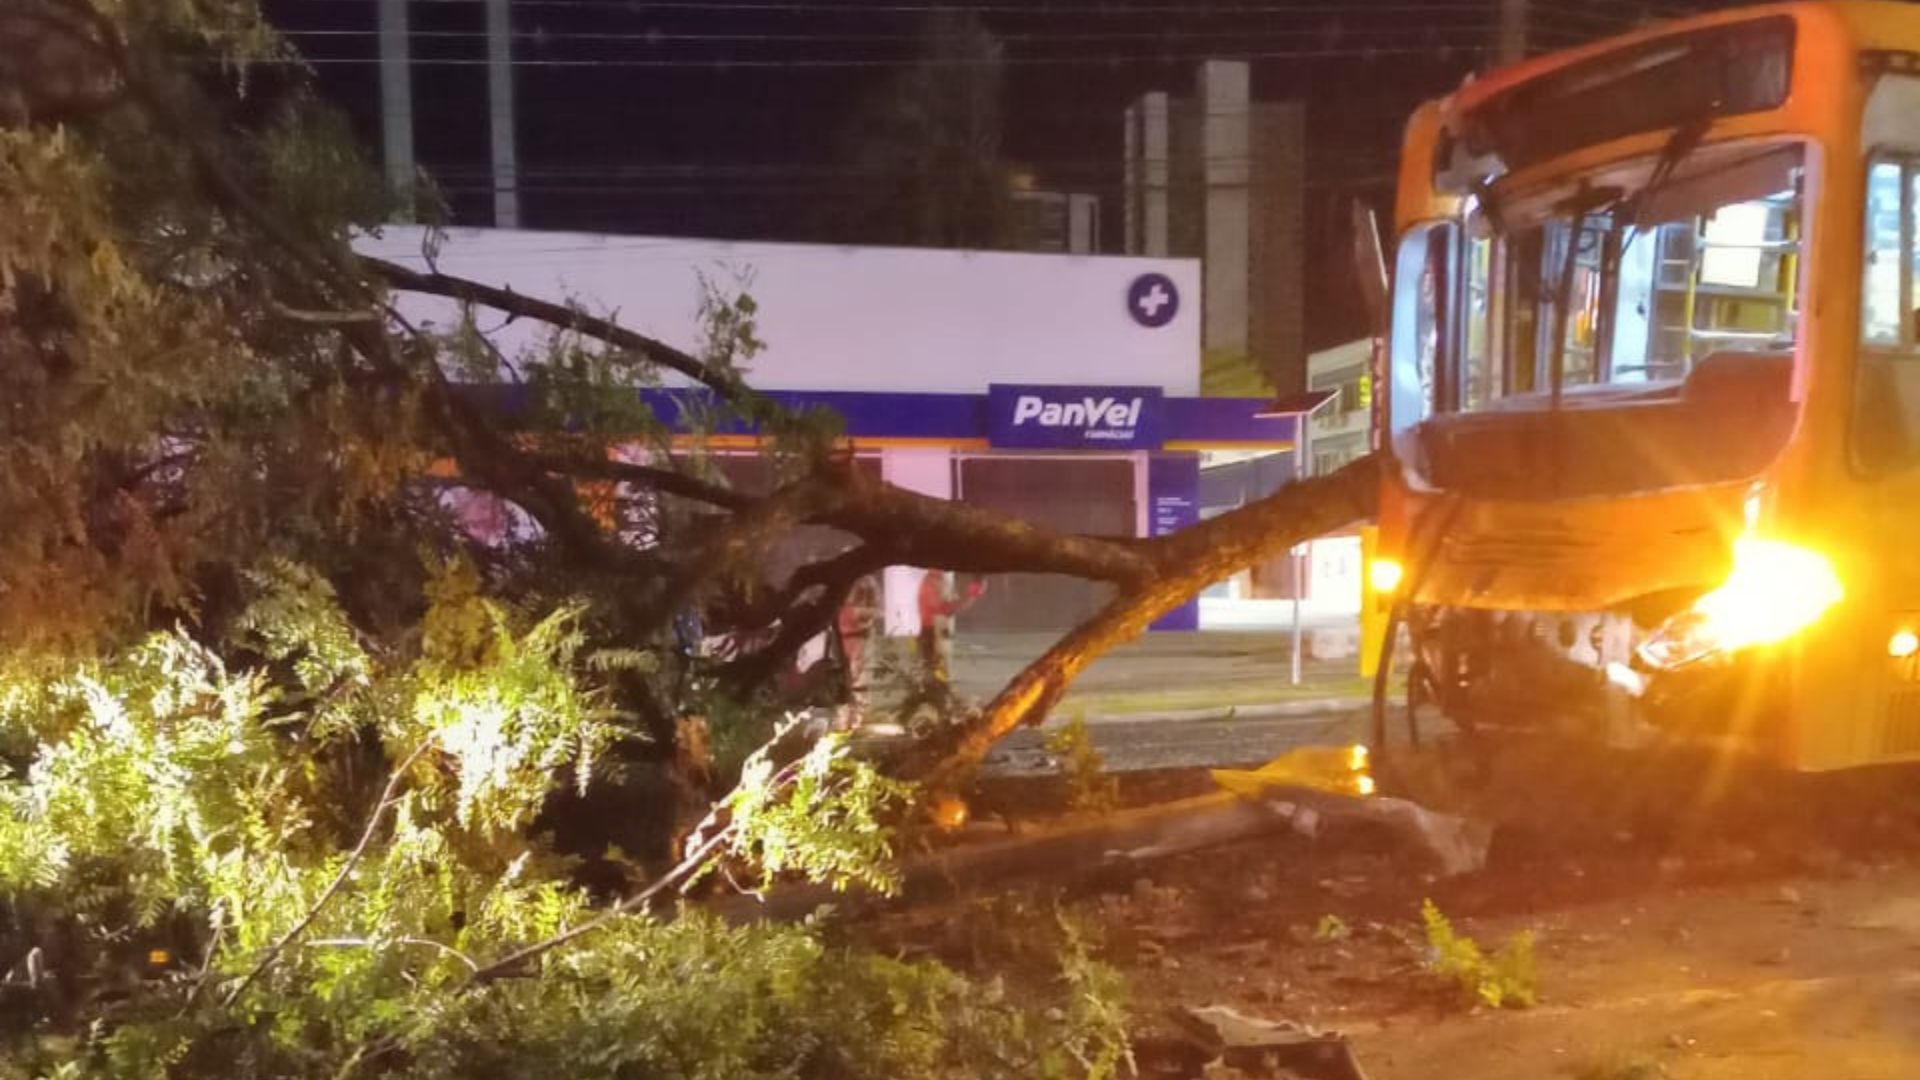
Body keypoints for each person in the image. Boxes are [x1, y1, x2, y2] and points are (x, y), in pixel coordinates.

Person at [901, 570, 986, 722]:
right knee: (935, 677)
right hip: (931, 634)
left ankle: (939, 713)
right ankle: (935, 716)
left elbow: (948, 608)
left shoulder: (938, 580)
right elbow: (944, 608)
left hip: (934, 633)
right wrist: (971, 595)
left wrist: (971, 595)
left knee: (939, 677)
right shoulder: (931, 581)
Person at [833, 574, 882, 731]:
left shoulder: (861, 583)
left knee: (855, 682)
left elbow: (871, 611)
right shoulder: (866, 583)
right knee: (851, 682)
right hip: (849, 643)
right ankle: (850, 720)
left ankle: (852, 720)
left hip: (852, 643)